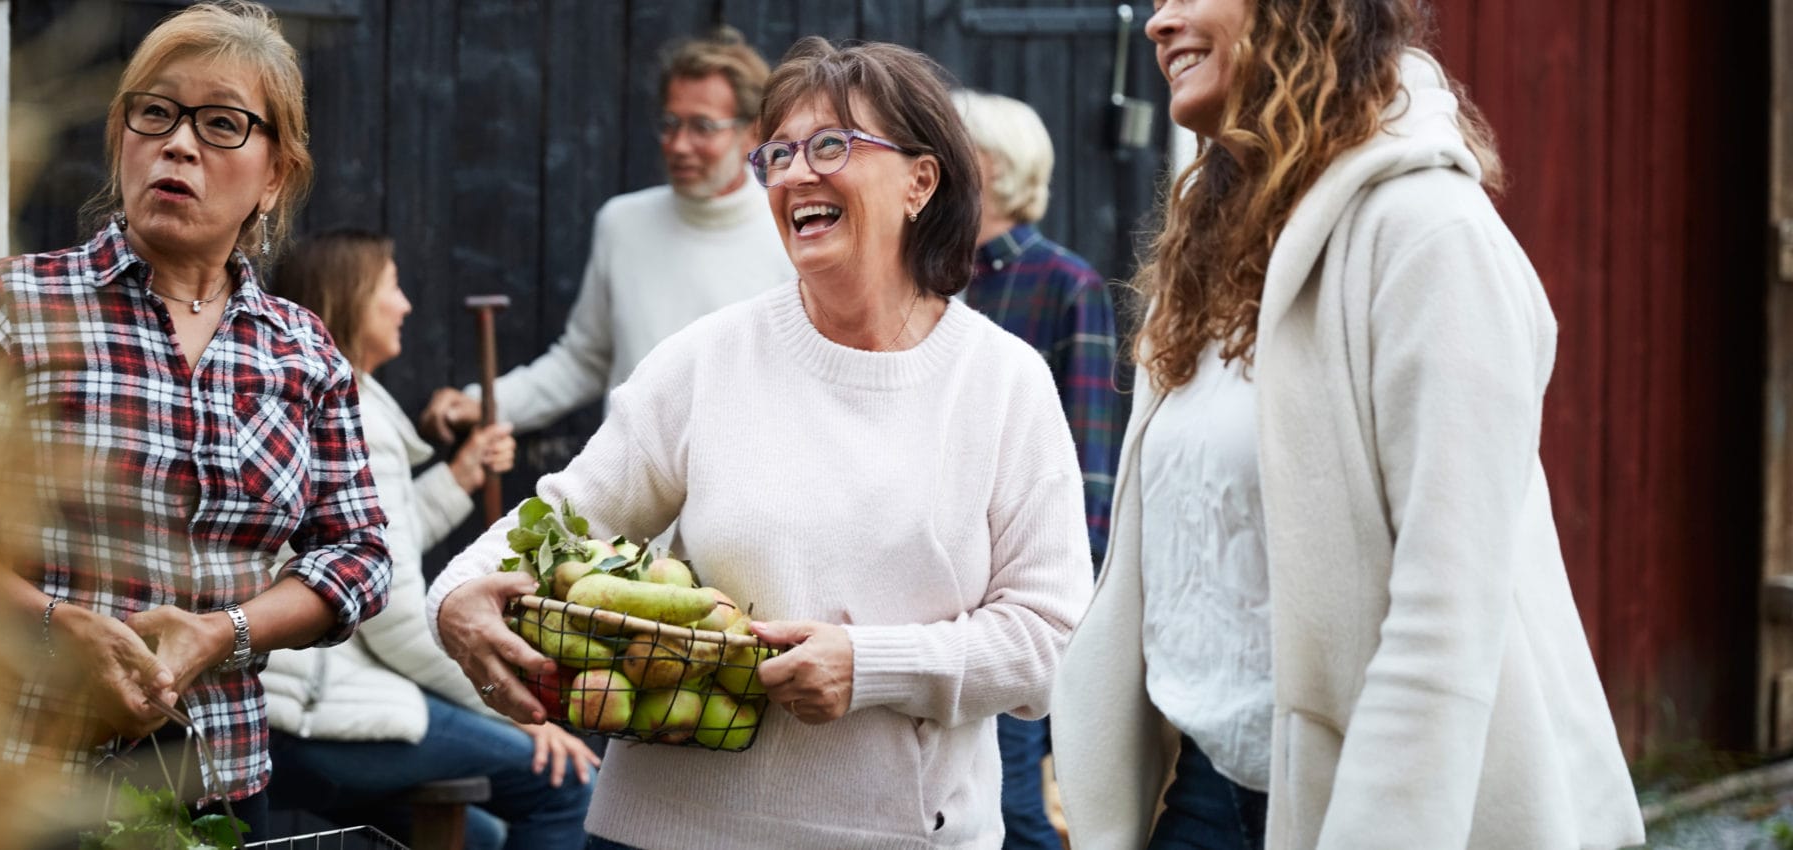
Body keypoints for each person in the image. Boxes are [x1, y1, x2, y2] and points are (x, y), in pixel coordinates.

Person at [428, 37, 1095, 850]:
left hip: (901, 836)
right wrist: (456, 595)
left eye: (830, 146)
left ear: (921, 180)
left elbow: (1045, 640)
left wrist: (869, 666)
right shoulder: (705, 359)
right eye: (776, 155)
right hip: (661, 834)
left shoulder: (1001, 382)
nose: (794, 175)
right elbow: (563, 519)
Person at [1050, 1, 1646, 849]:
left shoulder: (1428, 234)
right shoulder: (1214, 244)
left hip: (1371, 806)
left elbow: (1445, 615)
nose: (1158, 20)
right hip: (1205, 802)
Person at [0, 1, 390, 837]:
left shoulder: (300, 349)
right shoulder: (16, 306)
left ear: (274, 176)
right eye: (155, 113)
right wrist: (55, 624)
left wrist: (222, 633)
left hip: (217, 780)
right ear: (122, 137)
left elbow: (359, 556)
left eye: (222, 123)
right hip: (15, 773)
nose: (178, 144)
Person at [260, 230, 596, 850]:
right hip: (322, 709)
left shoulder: (315, 393)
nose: (406, 304)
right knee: (568, 785)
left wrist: (461, 474)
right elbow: (393, 618)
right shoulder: (354, 410)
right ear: (350, 297)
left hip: (292, 703)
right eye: (392, 285)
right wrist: (511, 707)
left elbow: (369, 538)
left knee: (482, 839)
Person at [418, 26, 795, 444]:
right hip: (630, 494)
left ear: (754, 132)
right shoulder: (623, 223)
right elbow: (584, 361)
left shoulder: (790, 230)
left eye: (703, 126)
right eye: (670, 123)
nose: (679, 144)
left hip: (745, 490)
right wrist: (486, 402)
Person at [949, 88, 1121, 850]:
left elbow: (1090, 466)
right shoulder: (928, 275)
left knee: (1017, 809)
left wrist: (1066, 616)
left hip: (1013, 602)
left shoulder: (1066, 284)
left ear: (990, 166)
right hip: (933, 590)